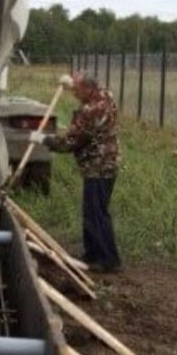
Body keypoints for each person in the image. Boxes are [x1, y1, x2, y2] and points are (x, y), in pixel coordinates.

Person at [30, 72, 122, 273]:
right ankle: (92, 253)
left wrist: (44, 139)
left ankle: (107, 260)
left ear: (89, 89)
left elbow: (70, 143)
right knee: (92, 211)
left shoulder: (91, 111)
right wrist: (73, 80)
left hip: (99, 165)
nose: (74, 94)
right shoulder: (106, 95)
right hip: (106, 163)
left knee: (97, 213)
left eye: (77, 90)